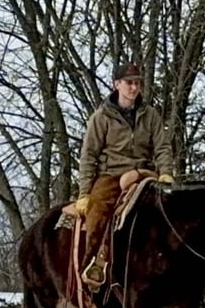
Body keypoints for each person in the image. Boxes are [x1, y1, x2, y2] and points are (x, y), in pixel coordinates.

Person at [75, 62, 175, 291]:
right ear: (117, 84)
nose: (134, 87)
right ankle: (91, 263)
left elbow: (162, 147)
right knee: (99, 211)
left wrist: (166, 173)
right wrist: (84, 193)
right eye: (129, 83)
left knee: (170, 211)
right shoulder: (101, 118)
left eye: (137, 83)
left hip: (143, 173)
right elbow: (88, 155)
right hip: (110, 175)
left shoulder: (150, 115)